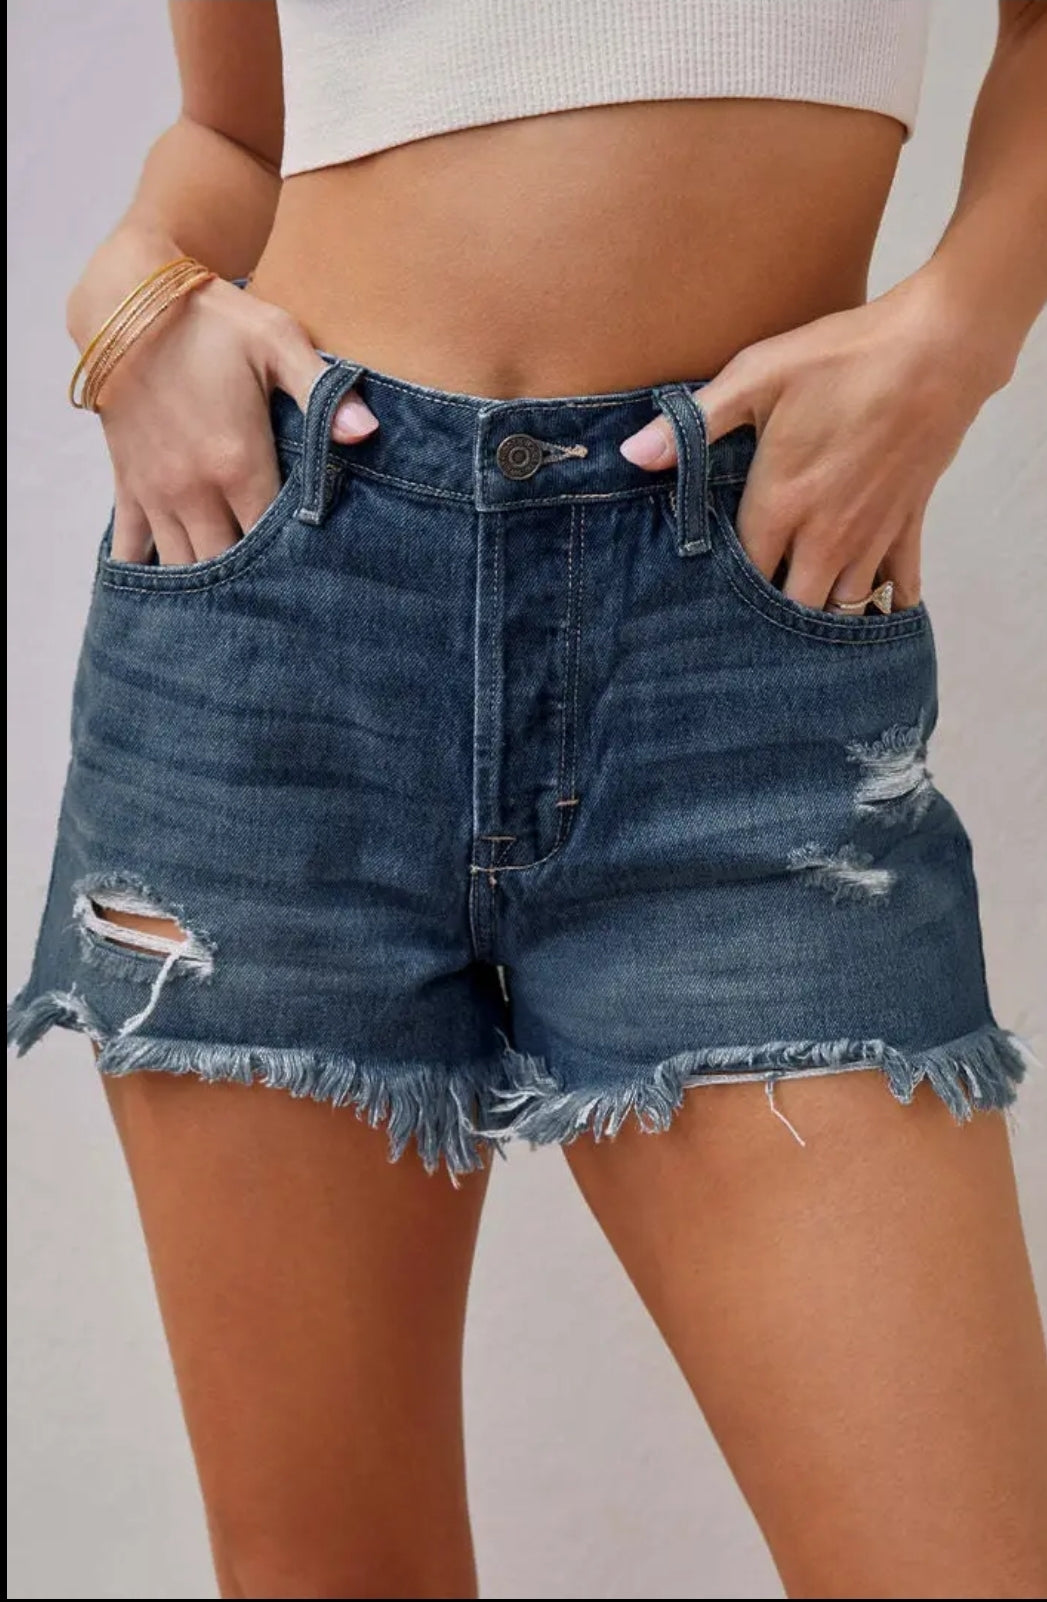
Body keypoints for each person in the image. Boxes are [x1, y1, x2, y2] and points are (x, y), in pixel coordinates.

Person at [8, 2, 1047, 1595]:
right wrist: (132, 287)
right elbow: (235, 136)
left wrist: (960, 333)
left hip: (734, 649)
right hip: (281, 621)